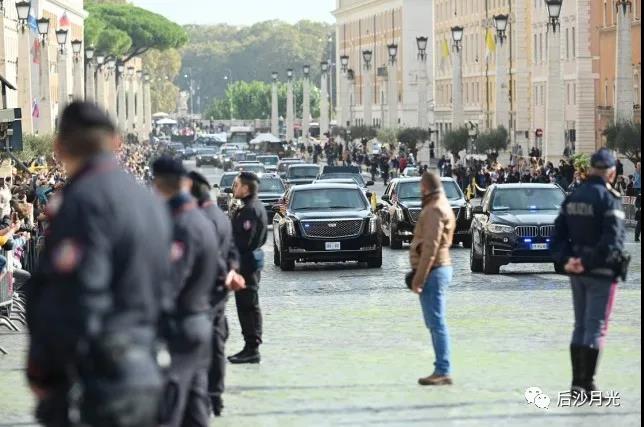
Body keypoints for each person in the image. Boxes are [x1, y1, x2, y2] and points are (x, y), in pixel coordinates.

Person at [26, 102, 171, 427]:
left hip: (95, 384)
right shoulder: (149, 203)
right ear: (115, 141)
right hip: (147, 375)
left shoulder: (82, 202)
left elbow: (73, 300)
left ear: (59, 147)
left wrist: (43, 370)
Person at [551, 148, 627, 402]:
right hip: (600, 271)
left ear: (590, 169)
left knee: (580, 325)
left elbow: (558, 233)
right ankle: (587, 385)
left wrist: (568, 261)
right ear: (611, 172)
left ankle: (575, 384)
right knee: (595, 327)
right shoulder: (608, 198)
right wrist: (585, 262)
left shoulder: (574, 196)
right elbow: (612, 242)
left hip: (576, 271)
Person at [152, 157, 220, 427]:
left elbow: (170, 284)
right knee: (194, 411)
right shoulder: (201, 220)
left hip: (179, 328)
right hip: (199, 321)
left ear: (158, 185)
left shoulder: (182, 226)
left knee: (168, 411)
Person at [187, 171, 245, 416]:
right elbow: (231, 249)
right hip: (219, 290)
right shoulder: (220, 217)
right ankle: (216, 396)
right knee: (217, 344)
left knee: (203, 347)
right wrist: (232, 271)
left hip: (203, 292)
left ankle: (205, 397)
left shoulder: (198, 219)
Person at [409, 172, 456, 386]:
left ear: (425, 188)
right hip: (438, 268)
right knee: (434, 322)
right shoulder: (441, 204)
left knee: (436, 322)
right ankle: (441, 368)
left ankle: (442, 370)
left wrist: (419, 277)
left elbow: (431, 247)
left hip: (434, 269)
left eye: (420, 186)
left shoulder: (434, 209)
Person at [227, 172, 268, 364]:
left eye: (237, 185)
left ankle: (252, 348)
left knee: (247, 306)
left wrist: (233, 265)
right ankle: (250, 346)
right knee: (248, 305)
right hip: (248, 262)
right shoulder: (252, 207)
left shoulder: (251, 210)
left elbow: (243, 242)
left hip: (246, 265)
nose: (234, 188)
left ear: (246, 188)